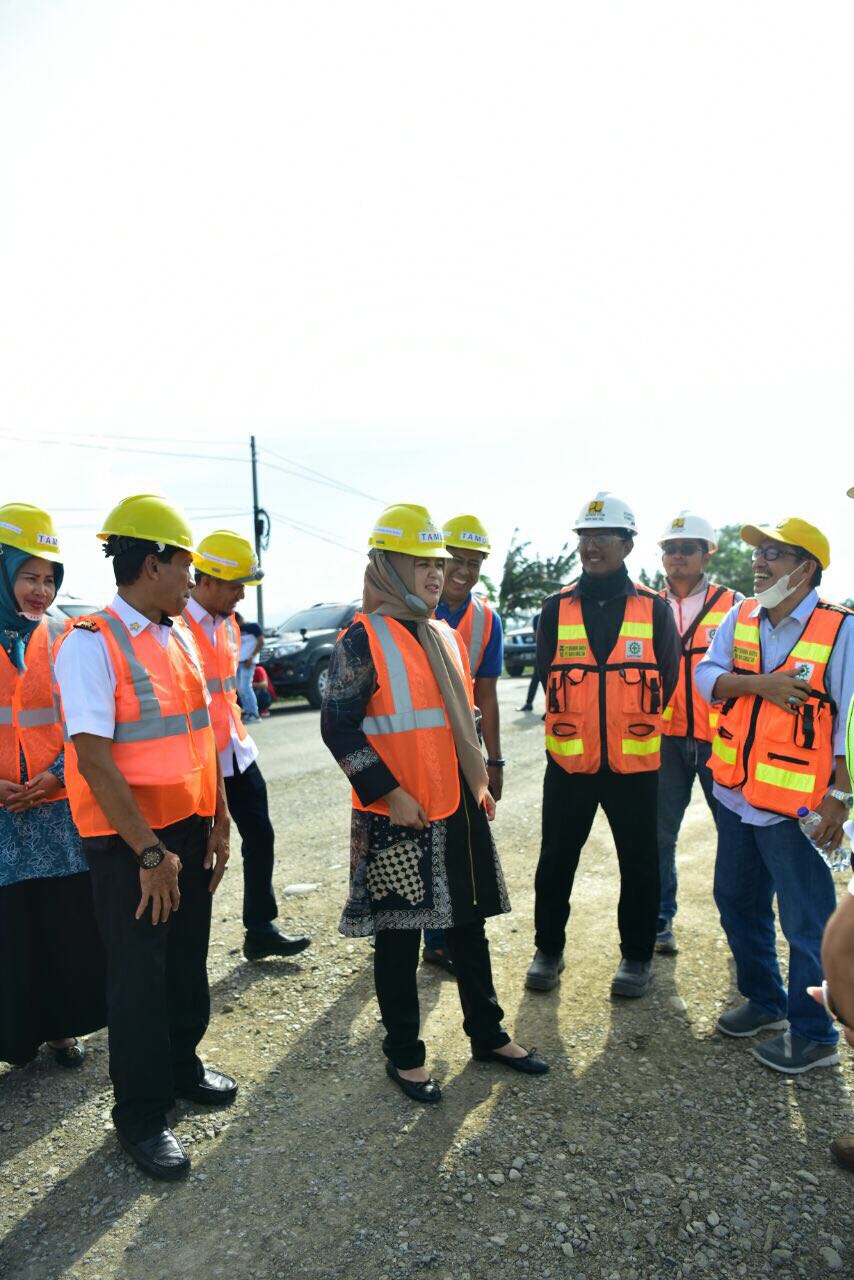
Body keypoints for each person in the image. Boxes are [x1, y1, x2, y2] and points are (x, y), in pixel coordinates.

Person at [321, 503, 548, 1103]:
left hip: (456, 806)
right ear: (386, 565)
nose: (433, 574)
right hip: (396, 814)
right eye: (419, 563)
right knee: (398, 939)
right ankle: (404, 1054)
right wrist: (389, 793)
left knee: (468, 927)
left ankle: (488, 1033)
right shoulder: (360, 638)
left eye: (437, 563)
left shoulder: (442, 633)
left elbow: (461, 721)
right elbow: (338, 729)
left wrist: (480, 778)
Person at [54, 494, 235, 1181]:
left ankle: (183, 1067)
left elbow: (201, 738)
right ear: (152, 562)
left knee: (186, 964)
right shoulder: (91, 643)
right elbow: (95, 760)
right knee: (138, 980)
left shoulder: (177, 633)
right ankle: (140, 1113)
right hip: (132, 847)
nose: (195, 576)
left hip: (189, 831)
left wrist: (218, 820)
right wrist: (151, 853)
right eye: (186, 563)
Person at [695, 517, 853, 1074]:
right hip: (736, 794)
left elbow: (850, 726)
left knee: (807, 923)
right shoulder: (740, 616)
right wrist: (760, 684)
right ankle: (765, 1001)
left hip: (800, 809)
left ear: (806, 568)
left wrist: (841, 797)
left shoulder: (842, 631)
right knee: (736, 901)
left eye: (774, 555)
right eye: (759, 554)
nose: (758, 563)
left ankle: (815, 1036)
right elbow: (706, 677)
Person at [525, 491, 680, 998]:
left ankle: (636, 958)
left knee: (639, 865)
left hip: (633, 767)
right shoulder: (554, 609)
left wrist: (622, 723)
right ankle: (548, 950)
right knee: (555, 863)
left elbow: (670, 679)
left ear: (627, 543)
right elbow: (550, 676)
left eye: (602, 537)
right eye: (584, 538)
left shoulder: (655, 610)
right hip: (570, 764)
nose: (591, 547)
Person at [0, 503, 106, 1070]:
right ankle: (15, 1038)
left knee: (61, 922)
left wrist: (55, 778)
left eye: (49, 579)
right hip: (1, 817)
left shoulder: (65, 635)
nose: (40, 591)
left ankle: (62, 1030)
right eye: (27, 576)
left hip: (56, 807)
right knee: (10, 927)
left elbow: (85, 720)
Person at [184, 531, 310, 962]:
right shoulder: (177, 624)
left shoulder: (229, 623)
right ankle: (185, 953)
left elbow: (227, 694)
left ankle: (260, 929)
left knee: (261, 835)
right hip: (197, 762)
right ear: (208, 581)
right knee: (200, 853)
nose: (242, 594)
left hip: (235, 750)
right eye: (236, 585)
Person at [654, 512, 742, 954]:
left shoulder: (736, 606)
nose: (677, 556)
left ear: (708, 552)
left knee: (736, 835)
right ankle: (659, 921)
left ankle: (742, 929)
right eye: (670, 548)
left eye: (687, 548)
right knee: (659, 834)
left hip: (721, 741)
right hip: (663, 739)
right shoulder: (646, 604)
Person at [421, 514, 505, 975]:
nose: (464, 572)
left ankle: (443, 936)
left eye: (474, 564)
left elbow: (488, 694)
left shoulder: (487, 620)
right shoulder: (412, 609)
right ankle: (416, 933)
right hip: (416, 751)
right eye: (457, 560)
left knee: (459, 846)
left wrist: (495, 761)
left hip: (463, 755)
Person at [235, 611, 264, 723]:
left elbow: (261, 642)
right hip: (238, 661)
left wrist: (252, 657)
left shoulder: (253, 627)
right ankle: (248, 712)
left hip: (248, 661)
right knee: (240, 688)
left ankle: (254, 713)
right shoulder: (236, 629)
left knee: (246, 687)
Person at [518, 612, 542, 712]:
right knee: (537, 678)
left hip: (546, 651)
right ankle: (529, 703)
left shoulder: (539, 617)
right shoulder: (538, 617)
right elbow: (537, 635)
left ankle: (529, 704)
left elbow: (537, 635)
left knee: (541, 679)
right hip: (543, 651)